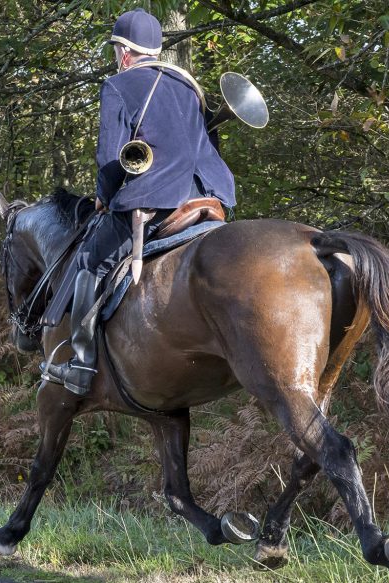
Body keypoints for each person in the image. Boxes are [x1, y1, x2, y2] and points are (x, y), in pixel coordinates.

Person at [43, 8, 236, 395]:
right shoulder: (189, 86)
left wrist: (103, 196)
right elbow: (207, 145)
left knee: (88, 261)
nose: (116, 57)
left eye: (116, 50)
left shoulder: (118, 86)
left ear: (125, 52)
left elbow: (111, 159)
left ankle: (80, 363)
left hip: (156, 200)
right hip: (210, 196)